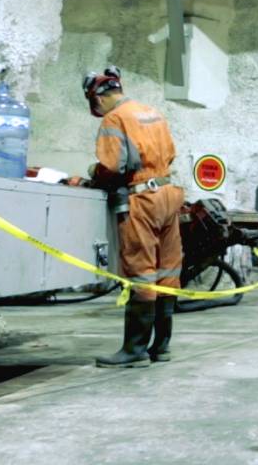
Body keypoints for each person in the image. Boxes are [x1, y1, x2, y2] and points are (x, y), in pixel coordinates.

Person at [78, 67, 184, 368]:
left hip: (143, 200)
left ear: (98, 98)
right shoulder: (152, 112)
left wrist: (92, 175)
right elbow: (170, 155)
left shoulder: (116, 118)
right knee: (168, 271)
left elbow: (112, 166)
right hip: (167, 193)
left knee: (141, 271)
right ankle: (161, 346)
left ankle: (134, 350)